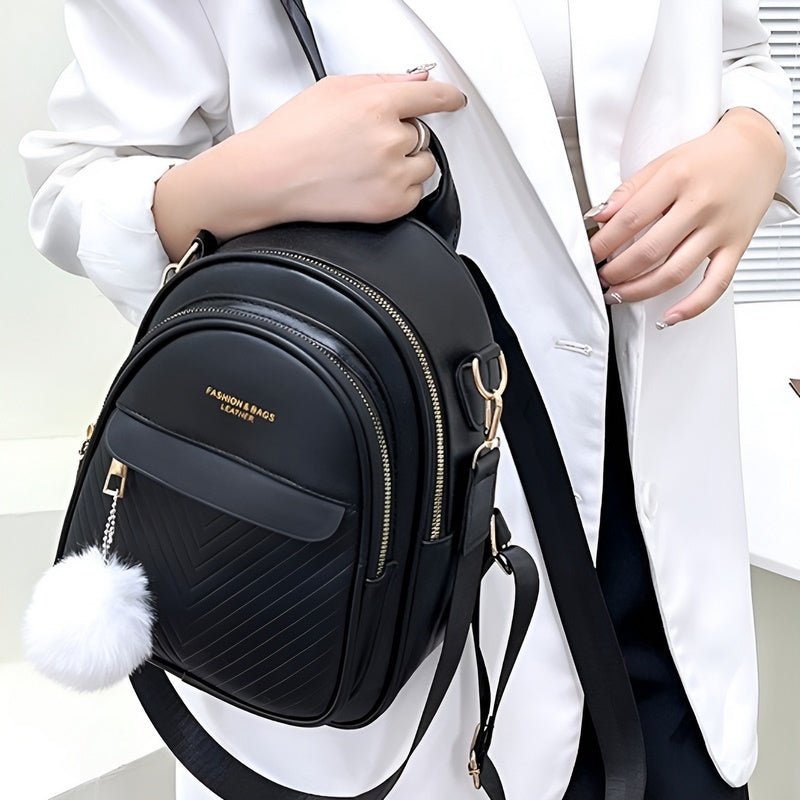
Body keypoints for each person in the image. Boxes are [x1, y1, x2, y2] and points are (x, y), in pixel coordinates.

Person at [19, 1, 800, 798]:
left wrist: (752, 145)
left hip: (661, 551)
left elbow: (740, 58)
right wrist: (235, 184)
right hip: (382, 546)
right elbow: (75, 183)